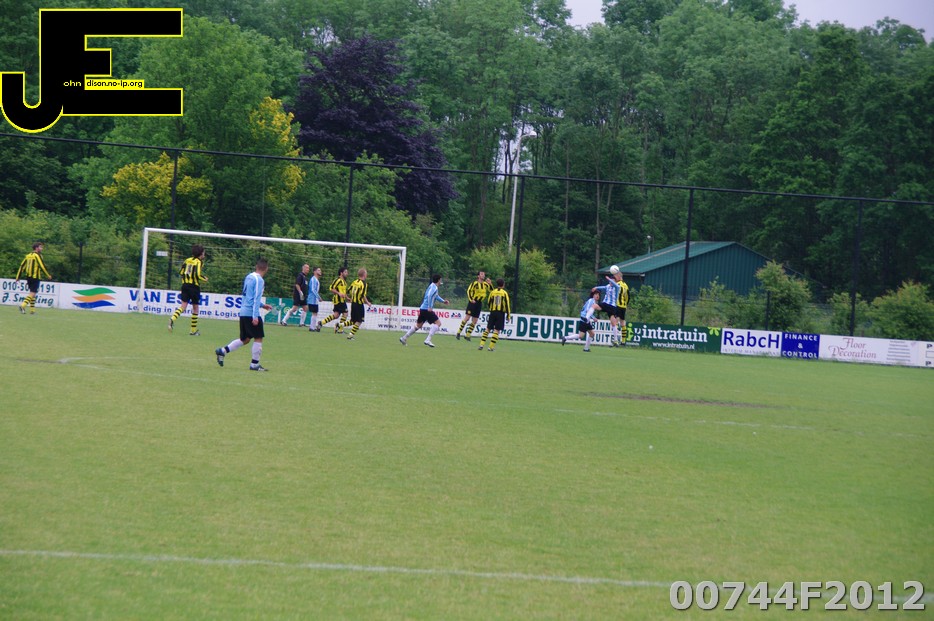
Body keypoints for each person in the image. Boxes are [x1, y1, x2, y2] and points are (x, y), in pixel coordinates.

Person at [215, 258, 273, 371]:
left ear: (256, 266)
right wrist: (255, 316)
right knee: (258, 337)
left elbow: (248, 297)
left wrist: (263, 305)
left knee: (245, 339)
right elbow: (255, 298)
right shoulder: (259, 280)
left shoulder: (249, 277)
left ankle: (222, 351)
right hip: (251, 313)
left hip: (244, 312)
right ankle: (254, 364)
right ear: (266, 269)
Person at [399, 274, 449, 348]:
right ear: (438, 280)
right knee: (438, 323)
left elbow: (435, 296)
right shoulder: (434, 287)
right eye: (440, 279)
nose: (441, 281)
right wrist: (430, 307)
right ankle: (428, 340)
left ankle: (404, 338)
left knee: (418, 325)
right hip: (426, 309)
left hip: (423, 309)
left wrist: (443, 301)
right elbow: (429, 296)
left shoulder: (432, 286)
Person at [169, 244, 208, 335]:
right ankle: (193, 331)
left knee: (183, 306)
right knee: (195, 308)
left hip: (185, 285)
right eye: (203, 253)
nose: (204, 255)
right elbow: (197, 274)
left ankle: (172, 318)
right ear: (200, 254)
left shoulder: (187, 260)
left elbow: (181, 272)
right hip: (194, 287)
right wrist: (204, 278)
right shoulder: (199, 262)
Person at [15, 242, 52, 315]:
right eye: (40, 247)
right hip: (35, 277)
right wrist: (48, 275)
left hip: (28, 277)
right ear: (36, 248)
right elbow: (42, 266)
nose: (42, 248)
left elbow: (22, 266)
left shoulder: (28, 255)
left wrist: (18, 276)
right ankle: (23, 305)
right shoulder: (37, 256)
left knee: (33, 293)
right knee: (33, 293)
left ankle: (32, 311)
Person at [454, 270, 492, 341]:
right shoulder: (474, 283)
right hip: (473, 302)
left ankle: (467, 335)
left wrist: (490, 284)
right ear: (478, 276)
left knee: (475, 320)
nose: (483, 275)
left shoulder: (485, 284)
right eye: (481, 274)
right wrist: (471, 299)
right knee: (467, 318)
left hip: (479, 303)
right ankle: (458, 333)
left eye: (484, 274)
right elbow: (469, 291)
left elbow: (491, 291)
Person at [478, 278, 510, 352]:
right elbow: (507, 304)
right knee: (497, 330)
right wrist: (508, 315)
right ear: (503, 284)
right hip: (500, 313)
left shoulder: (493, 292)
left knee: (488, 328)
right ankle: (491, 347)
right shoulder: (504, 293)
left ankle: (481, 344)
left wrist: (491, 309)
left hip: (492, 312)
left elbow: (489, 302)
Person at [341, 268, 371, 340]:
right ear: (364, 275)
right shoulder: (364, 284)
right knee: (359, 321)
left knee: (353, 321)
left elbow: (347, 291)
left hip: (353, 304)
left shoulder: (354, 282)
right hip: (359, 304)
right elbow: (363, 295)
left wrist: (348, 298)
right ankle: (350, 335)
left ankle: (340, 325)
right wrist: (367, 302)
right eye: (366, 273)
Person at [317, 266, 349, 332]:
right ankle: (340, 329)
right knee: (345, 313)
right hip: (339, 300)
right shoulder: (338, 280)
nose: (347, 273)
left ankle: (321, 323)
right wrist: (338, 293)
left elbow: (343, 292)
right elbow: (331, 288)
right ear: (341, 273)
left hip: (341, 300)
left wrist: (347, 297)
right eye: (345, 272)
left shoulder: (344, 282)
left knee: (336, 315)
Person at [593, 273, 622, 346]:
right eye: (609, 281)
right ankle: (616, 341)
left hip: (611, 306)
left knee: (613, 324)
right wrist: (596, 287)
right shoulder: (608, 286)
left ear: (615, 281)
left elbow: (615, 285)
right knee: (594, 306)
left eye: (612, 281)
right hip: (606, 304)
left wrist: (609, 279)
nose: (610, 283)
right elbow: (603, 287)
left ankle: (616, 340)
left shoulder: (617, 287)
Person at [305, 266, 322, 331]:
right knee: (314, 312)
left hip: (315, 299)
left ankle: (313, 327)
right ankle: (312, 327)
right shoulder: (313, 279)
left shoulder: (316, 279)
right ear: (314, 272)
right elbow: (313, 289)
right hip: (312, 299)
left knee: (315, 312)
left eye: (320, 270)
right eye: (318, 270)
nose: (320, 271)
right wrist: (318, 297)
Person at [615, 273, 630, 346]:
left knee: (616, 320)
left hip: (617, 304)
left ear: (619, 277)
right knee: (623, 322)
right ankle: (623, 341)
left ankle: (616, 339)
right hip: (623, 306)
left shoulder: (617, 284)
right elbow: (628, 297)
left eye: (616, 276)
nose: (615, 278)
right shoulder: (625, 285)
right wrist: (626, 304)